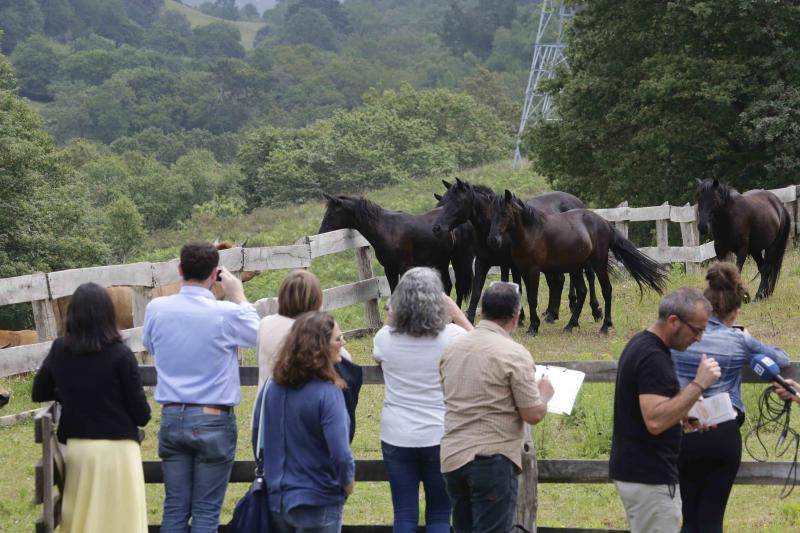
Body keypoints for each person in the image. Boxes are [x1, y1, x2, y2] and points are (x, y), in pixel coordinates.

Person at [142, 240, 260, 533]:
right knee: (206, 513)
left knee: (174, 510)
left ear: (180, 269)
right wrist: (238, 295)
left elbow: (149, 344)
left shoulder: (156, 308)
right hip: (213, 417)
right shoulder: (226, 314)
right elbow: (256, 331)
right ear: (215, 273)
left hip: (172, 415)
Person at [671, 263, 790, 533]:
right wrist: (746, 337)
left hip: (683, 426)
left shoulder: (681, 338)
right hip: (721, 430)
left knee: (689, 517)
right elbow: (780, 358)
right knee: (712, 519)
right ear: (735, 312)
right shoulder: (738, 340)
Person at [32, 282, 151, 533]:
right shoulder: (121, 354)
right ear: (109, 314)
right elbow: (142, 414)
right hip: (120, 452)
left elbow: (38, 392)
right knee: (121, 520)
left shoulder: (60, 350)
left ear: (72, 315)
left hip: (80, 451)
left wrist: (70, 394)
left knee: (85, 519)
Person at [439, 281, 554, 532]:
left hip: (452, 456)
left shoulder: (452, 350)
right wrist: (543, 395)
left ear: (481, 311)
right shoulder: (514, 353)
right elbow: (532, 413)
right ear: (516, 317)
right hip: (491, 459)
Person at [610, 288, 722, 533]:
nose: (699, 339)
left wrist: (685, 417)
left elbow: (647, 413)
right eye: (697, 330)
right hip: (649, 478)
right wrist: (698, 385)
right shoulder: (652, 357)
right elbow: (655, 421)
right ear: (673, 321)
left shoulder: (643, 345)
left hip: (640, 473)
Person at [373, 267, 473, 533]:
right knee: (440, 515)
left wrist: (394, 312)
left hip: (396, 435)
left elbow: (380, 343)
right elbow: (479, 342)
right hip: (439, 435)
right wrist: (454, 309)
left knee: (404, 514)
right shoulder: (452, 336)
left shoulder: (385, 339)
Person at [265, 311, 355, 532]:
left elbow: (260, 434)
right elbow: (341, 453)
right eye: (337, 339)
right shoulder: (328, 393)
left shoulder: (274, 387)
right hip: (317, 499)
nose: (342, 345)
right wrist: (347, 484)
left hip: (278, 499)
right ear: (320, 346)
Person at [256, 269, 361, 442]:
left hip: (268, 421)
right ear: (317, 299)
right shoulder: (316, 330)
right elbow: (346, 362)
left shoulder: (265, 325)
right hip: (307, 423)